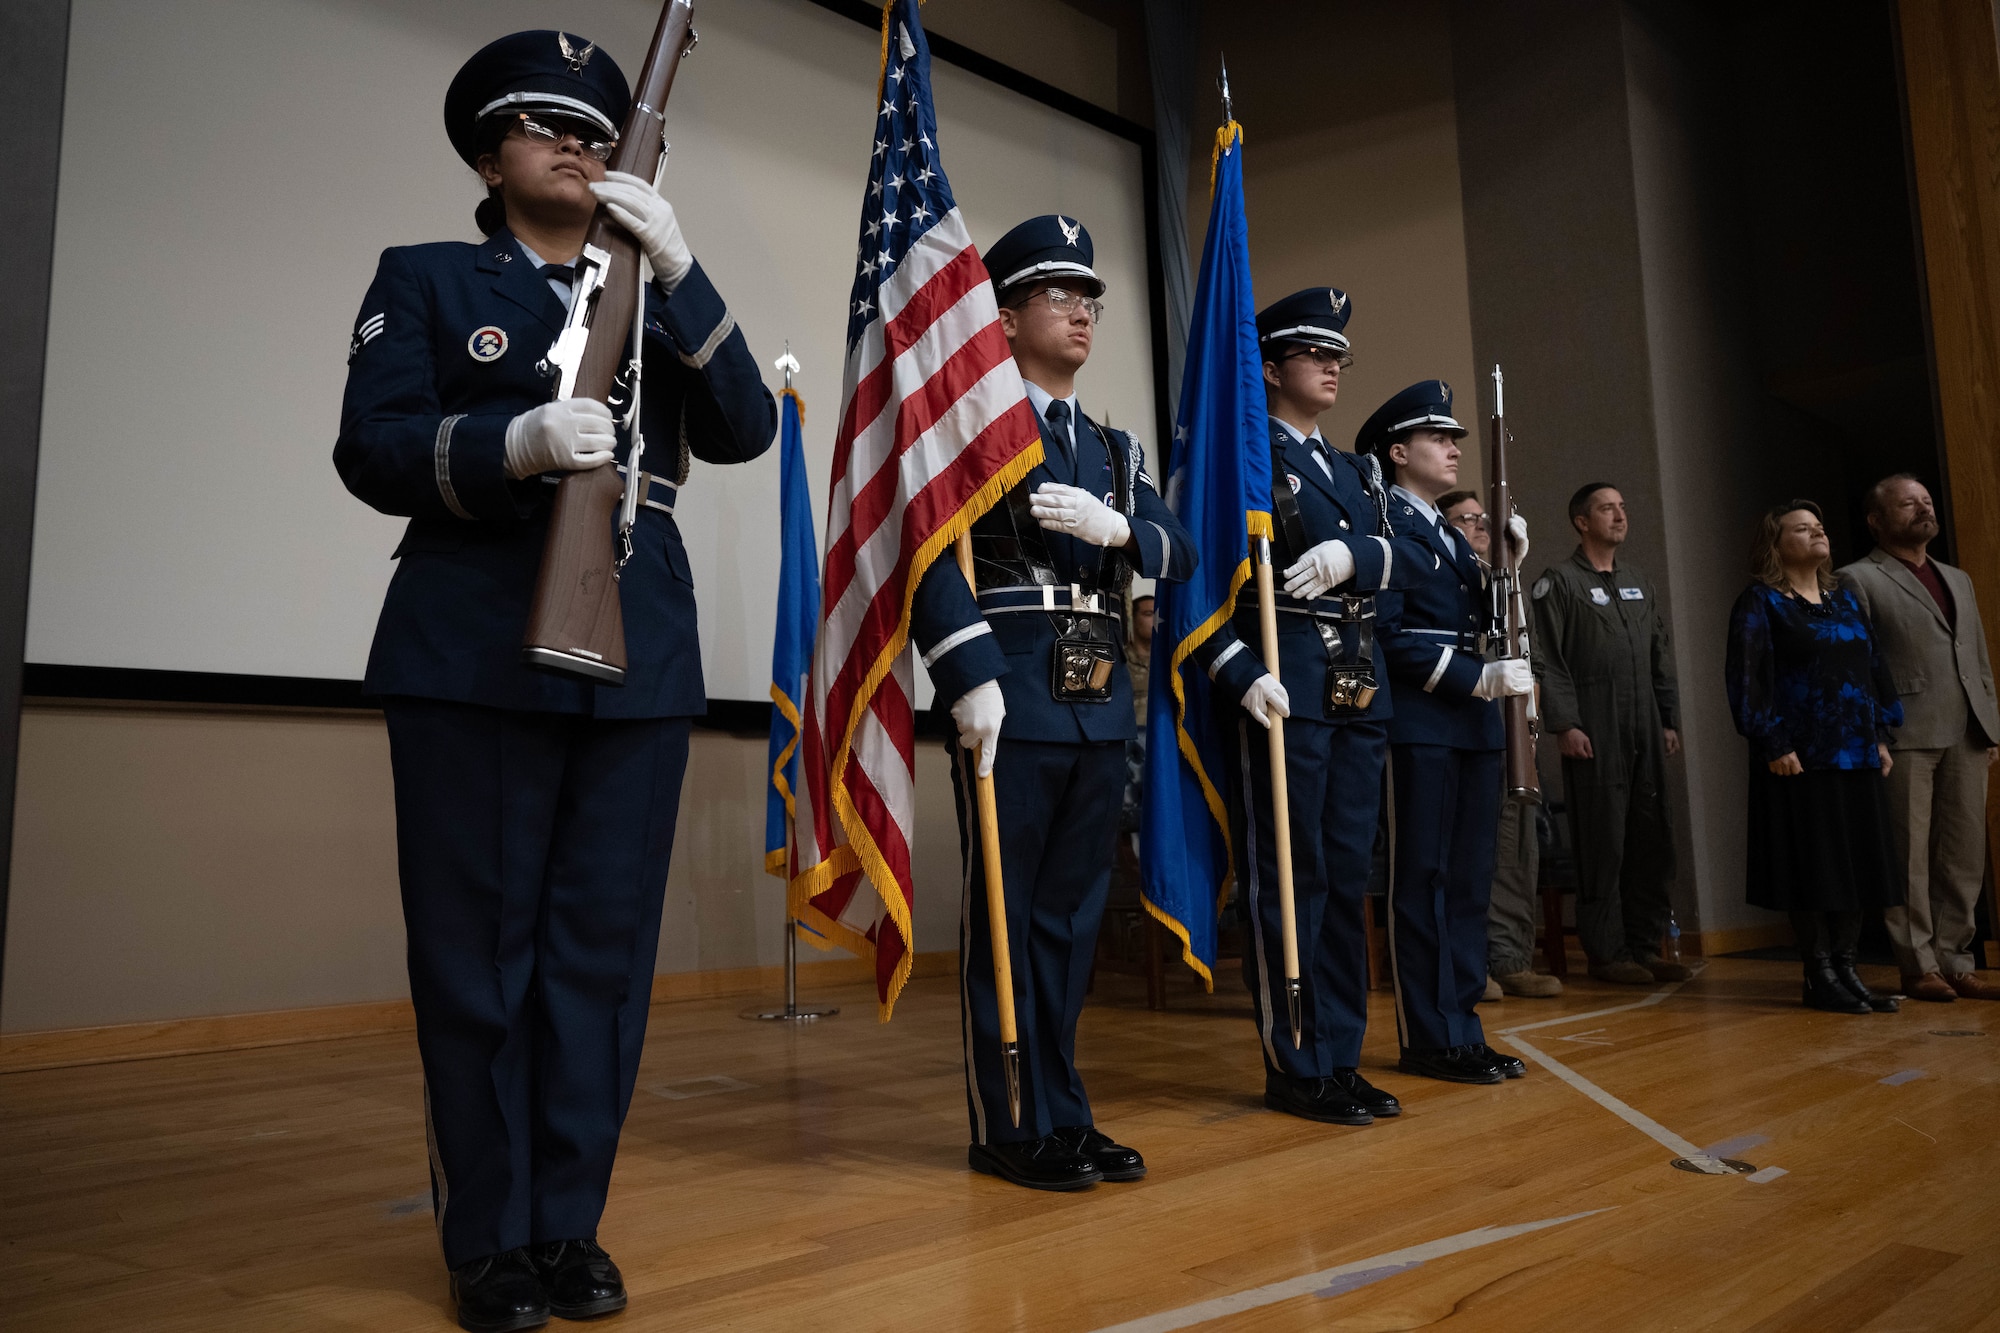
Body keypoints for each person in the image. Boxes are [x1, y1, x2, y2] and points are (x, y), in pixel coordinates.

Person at [334, 30, 776, 1331]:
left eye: (594, 127)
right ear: (489, 152)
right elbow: (376, 450)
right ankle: (488, 1240)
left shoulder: (653, 291)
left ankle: (565, 1223)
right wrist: (512, 440)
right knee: (480, 959)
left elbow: (745, 426)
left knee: (600, 960)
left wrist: (685, 273)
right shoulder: (424, 279)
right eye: (541, 124)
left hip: (632, 650)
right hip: (472, 643)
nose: (575, 143)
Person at [908, 215, 1196, 1190]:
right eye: (1055, 294)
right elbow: (924, 557)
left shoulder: (1113, 450)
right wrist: (965, 671)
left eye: (1089, 298)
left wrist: (1124, 529)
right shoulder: (970, 428)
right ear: (1006, 311)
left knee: (1071, 921)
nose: (1080, 312)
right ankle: (1010, 1118)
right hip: (1010, 685)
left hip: (1096, 695)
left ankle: (1065, 1110)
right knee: (1008, 910)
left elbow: (1178, 553)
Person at [1194, 289, 1442, 1126]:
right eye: (1313, 352)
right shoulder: (1245, 456)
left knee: (1343, 877)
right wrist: (1239, 673)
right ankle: (1295, 1057)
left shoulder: (1357, 469)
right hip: (1286, 687)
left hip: (1356, 687)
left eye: (1338, 353)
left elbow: (1412, 554)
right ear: (1269, 367)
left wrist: (1356, 551)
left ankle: (1340, 1052)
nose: (1333, 364)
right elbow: (1199, 584)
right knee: (1290, 878)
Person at [1365, 382, 1536, 1085]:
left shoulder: (1445, 532)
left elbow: (1483, 622)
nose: (1455, 448)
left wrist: (1510, 567)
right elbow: (1390, 637)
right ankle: (1430, 1034)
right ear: (1399, 452)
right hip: (1424, 722)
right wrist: (1473, 680)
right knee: (1425, 880)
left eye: (1457, 438)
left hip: (1468, 727)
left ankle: (1461, 1023)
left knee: (1467, 882)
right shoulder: (1390, 528)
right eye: (1439, 438)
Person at [1726, 501, 1904, 1015]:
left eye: (1819, 526)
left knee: (1856, 866)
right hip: (1798, 757)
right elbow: (1746, 681)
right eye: (1802, 528)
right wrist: (1772, 742)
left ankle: (1848, 971)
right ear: (1776, 545)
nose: (1817, 531)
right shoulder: (1760, 602)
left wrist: (1881, 734)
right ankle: (1818, 973)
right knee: (1815, 868)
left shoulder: (1844, 598)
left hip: (1857, 753)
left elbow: (1873, 668)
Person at [1838, 475, 2000, 1002]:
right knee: (1907, 855)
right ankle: (1917, 963)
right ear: (1877, 521)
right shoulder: (1856, 578)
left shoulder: (1958, 578)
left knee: (1963, 856)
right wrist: (1872, 734)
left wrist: (1990, 724)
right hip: (1903, 734)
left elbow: (1976, 658)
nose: (1923, 508)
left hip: (1967, 733)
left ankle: (1956, 961)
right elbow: (1855, 667)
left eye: (1926, 501)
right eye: (1908, 503)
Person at [1529, 483, 1687, 986]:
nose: (1619, 515)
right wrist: (1566, 723)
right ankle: (1608, 952)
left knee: (1650, 837)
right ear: (1581, 520)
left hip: (1644, 724)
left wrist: (1667, 718)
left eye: (1623, 506)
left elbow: (1659, 652)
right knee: (1605, 841)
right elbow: (1548, 659)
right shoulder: (1558, 583)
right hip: (1595, 725)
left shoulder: (1639, 580)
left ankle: (1646, 945)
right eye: (1606, 508)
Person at [1440, 490, 1562, 1000]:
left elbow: (1525, 656)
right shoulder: (1439, 574)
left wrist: (1531, 723)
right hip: (1457, 717)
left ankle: (1511, 957)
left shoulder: (1505, 582)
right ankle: (1466, 966)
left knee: (1516, 846)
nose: (1479, 527)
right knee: (1464, 853)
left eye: (1483, 520)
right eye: (1465, 519)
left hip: (1511, 726)